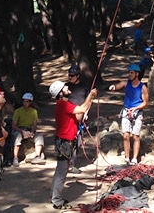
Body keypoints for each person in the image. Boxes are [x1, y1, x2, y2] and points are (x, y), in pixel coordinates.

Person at [49, 80, 98, 210]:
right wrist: (90, 96)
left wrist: (89, 102)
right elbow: (81, 108)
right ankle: (57, 200)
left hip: (65, 141)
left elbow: (78, 116)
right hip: (64, 142)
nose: (67, 87)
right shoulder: (63, 105)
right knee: (62, 172)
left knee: (60, 170)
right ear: (60, 93)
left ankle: (54, 196)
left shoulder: (65, 104)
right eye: (64, 87)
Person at [108, 63, 149, 165]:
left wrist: (135, 108)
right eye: (129, 72)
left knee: (135, 136)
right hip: (126, 111)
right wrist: (114, 86)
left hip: (137, 112)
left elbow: (145, 102)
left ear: (136, 74)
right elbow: (119, 85)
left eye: (131, 73)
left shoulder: (142, 87)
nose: (129, 75)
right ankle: (127, 157)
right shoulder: (127, 84)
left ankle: (134, 158)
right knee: (126, 135)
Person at [65, 64, 90, 174]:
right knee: (68, 140)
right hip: (69, 117)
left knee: (78, 141)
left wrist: (86, 112)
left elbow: (89, 101)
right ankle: (69, 163)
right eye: (69, 75)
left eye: (72, 76)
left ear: (78, 76)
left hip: (80, 116)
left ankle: (72, 162)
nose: (70, 77)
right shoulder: (66, 87)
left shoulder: (84, 87)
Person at [11, 92, 45, 166]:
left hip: (29, 130)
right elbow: (14, 126)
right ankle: (15, 158)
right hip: (19, 129)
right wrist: (22, 131)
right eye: (24, 101)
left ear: (30, 102)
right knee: (18, 137)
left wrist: (32, 132)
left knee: (39, 137)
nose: (25, 103)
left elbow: (34, 124)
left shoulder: (34, 112)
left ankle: (37, 156)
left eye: (27, 101)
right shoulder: (18, 111)